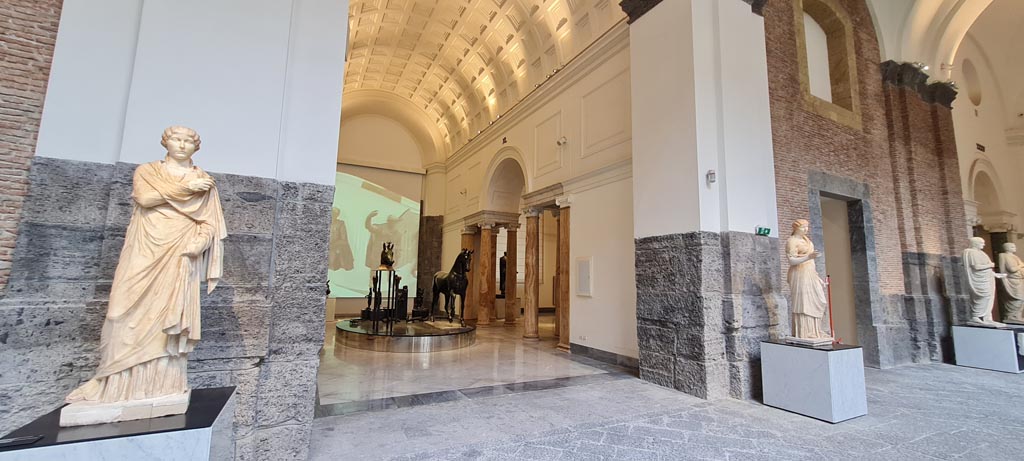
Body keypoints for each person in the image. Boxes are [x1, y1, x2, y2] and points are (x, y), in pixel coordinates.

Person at [65, 126, 227, 408]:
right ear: (166, 142)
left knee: (170, 315)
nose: (182, 145)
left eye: (188, 141)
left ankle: (162, 382)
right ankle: (112, 379)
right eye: (177, 139)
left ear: (195, 147)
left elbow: (210, 222)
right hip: (145, 248)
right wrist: (184, 188)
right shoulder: (148, 172)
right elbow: (145, 198)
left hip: (180, 252)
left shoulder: (204, 180)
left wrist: (200, 243)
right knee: (120, 309)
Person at [786, 219, 830, 340]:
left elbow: (811, 262)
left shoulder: (807, 240)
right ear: (795, 228)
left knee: (820, 300)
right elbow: (791, 261)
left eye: (807, 227)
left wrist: (818, 279)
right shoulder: (792, 241)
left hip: (810, 272)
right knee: (804, 302)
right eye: (803, 227)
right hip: (799, 274)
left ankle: (815, 331)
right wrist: (808, 256)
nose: (806, 229)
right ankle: (804, 333)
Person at [963, 237, 1006, 327]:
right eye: (981, 243)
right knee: (983, 296)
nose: (984, 245)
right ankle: (976, 316)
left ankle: (987, 318)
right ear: (975, 243)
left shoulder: (981, 253)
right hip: (979, 280)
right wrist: (990, 265)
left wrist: (995, 274)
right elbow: (976, 267)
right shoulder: (971, 252)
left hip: (987, 278)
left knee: (989, 297)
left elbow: (987, 270)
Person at [998, 242, 1024, 323]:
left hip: (1019, 280)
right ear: (1007, 248)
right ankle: (1012, 316)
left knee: (1021, 299)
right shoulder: (1006, 256)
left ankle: (1017, 316)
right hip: (1012, 281)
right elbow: (1012, 269)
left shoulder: (1014, 256)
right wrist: (1020, 265)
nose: (1014, 247)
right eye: (1012, 246)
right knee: (1017, 299)